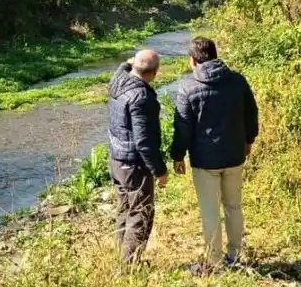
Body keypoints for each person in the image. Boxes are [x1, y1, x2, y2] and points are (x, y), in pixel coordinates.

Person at [169, 37, 258, 271]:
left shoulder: (188, 87)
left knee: (210, 211)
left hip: (205, 160)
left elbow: (182, 126)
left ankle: (215, 262)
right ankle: (234, 255)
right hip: (234, 155)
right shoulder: (237, 80)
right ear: (215, 55)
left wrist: (177, 155)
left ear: (192, 60)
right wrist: (249, 140)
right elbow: (251, 113)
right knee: (233, 207)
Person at [107, 49, 168, 264]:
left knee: (125, 210)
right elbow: (143, 141)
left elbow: (121, 69)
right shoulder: (142, 97)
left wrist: (129, 63)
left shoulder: (118, 82)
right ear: (154, 72)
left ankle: (120, 257)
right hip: (135, 165)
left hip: (116, 160)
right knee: (141, 214)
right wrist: (159, 170)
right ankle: (129, 266)